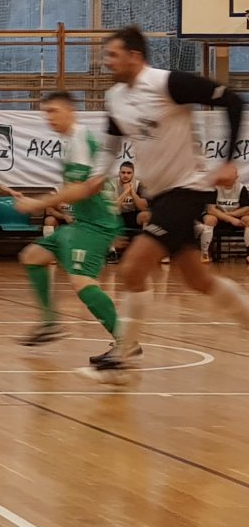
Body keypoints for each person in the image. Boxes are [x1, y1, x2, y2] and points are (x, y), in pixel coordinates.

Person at [95, 26, 249, 374]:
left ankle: (125, 350)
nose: (107, 61)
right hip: (159, 195)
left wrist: (229, 160)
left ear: (134, 56)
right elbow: (111, 145)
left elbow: (233, 100)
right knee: (198, 280)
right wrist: (96, 177)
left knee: (132, 269)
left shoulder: (167, 83)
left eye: (113, 55)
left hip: (188, 189)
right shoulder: (115, 98)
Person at [8, 91, 123, 350]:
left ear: (71, 112)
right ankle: (50, 324)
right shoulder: (72, 140)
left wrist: (37, 203)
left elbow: (81, 190)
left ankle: (125, 341)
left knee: (82, 282)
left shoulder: (80, 139)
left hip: (96, 224)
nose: (49, 117)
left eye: (53, 111)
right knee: (32, 256)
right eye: (45, 113)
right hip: (82, 223)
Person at [197, 179, 248, 262]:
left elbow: (247, 209)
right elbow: (211, 210)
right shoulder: (214, 188)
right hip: (218, 216)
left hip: (235, 216)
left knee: (247, 220)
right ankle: (204, 253)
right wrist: (230, 219)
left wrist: (230, 215)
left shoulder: (241, 188)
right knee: (210, 220)